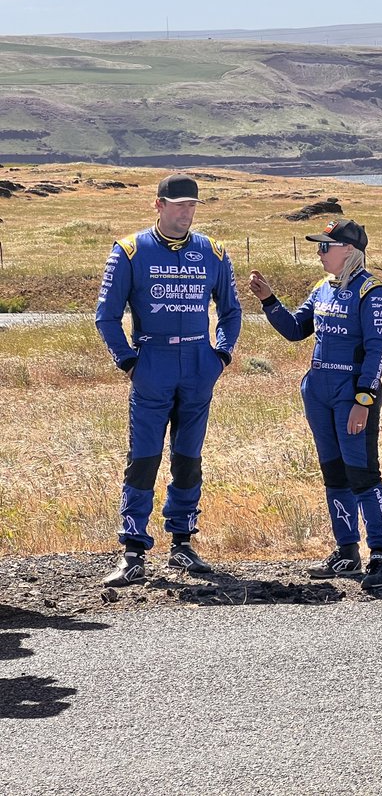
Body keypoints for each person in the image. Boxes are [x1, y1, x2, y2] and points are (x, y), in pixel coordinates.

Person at [95, 173, 242, 586]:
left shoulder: (212, 250)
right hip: (152, 361)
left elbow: (231, 311)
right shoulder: (128, 250)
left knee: (188, 457)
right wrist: (128, 361)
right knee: (143, 457)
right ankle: (133, 550)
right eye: (177, 205)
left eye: (192, 205)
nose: (185, 213)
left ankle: (182, 542)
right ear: (158, 205)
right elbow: (106, 316)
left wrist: (222, 354)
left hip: (199, 362)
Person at [247, 217, 382, 589]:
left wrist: (365, 398)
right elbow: (297, 330)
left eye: (325, 246)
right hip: (317, 391)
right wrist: (269, 301)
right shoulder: (322, 288)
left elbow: (378, 349)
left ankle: (380, 556)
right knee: (333, 472)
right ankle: (347, 551)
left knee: (361, 472)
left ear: (350, 251)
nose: (319, 251)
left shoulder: (373, 291)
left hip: (352, 394)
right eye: (318, 245)